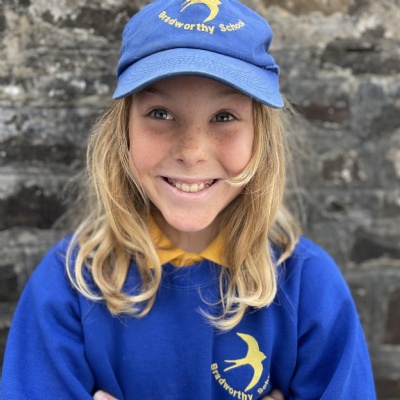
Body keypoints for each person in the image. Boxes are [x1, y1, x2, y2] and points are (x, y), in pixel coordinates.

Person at [0, 0, 376, 399]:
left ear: (260, 137)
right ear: (123, 131)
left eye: (224, 117)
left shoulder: (309, 287)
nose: (192, 152)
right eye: (161, 113)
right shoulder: (68, 286)